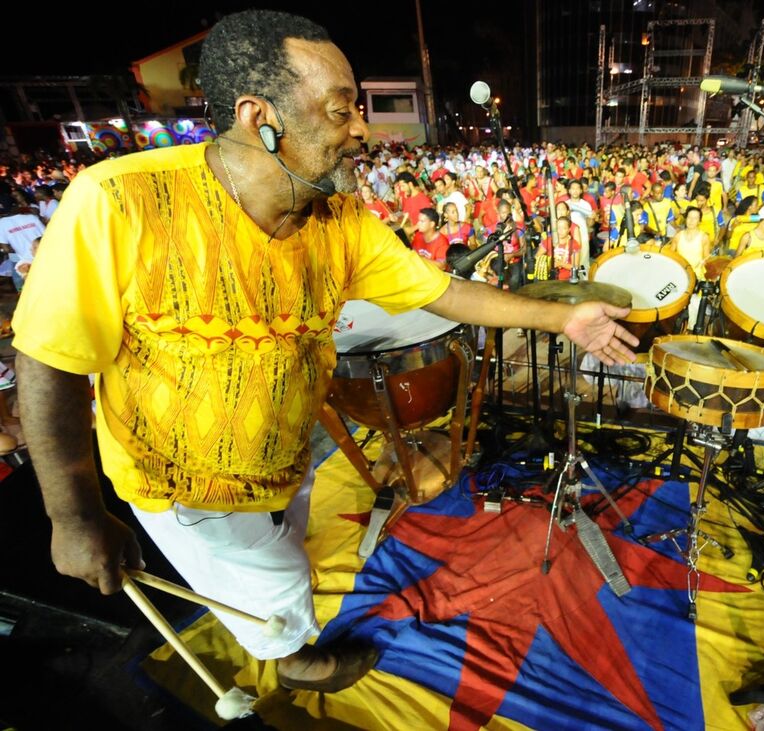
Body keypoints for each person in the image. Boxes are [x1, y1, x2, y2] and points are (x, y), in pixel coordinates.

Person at [12, 9, 637, 697]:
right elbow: (50, 361)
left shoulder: (342, 223)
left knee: (286, 552)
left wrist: (563, 318)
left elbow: (445, 293)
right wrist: (72, 515)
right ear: (261, 117)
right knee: (272, 591)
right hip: (190, 490)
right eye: (342, 110)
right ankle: (294, 660)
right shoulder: (117, 202)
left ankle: (288, 626)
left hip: (289, 453)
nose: (362, 129)